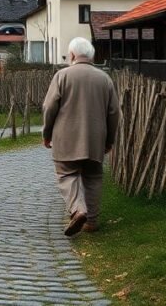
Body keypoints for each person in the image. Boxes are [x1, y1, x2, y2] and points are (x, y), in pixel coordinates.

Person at [42, 36, 119, 236]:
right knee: (93, 177)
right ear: (91, 56)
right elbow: (114, 113)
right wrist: (109, 140)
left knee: (67, 174)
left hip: (66, 139)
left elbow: (49, 108)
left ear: (73, 55)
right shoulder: (105, 79)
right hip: (95, 140)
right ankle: (91, 221)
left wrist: (46, 133)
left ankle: (78, 209)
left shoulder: (62, 76)